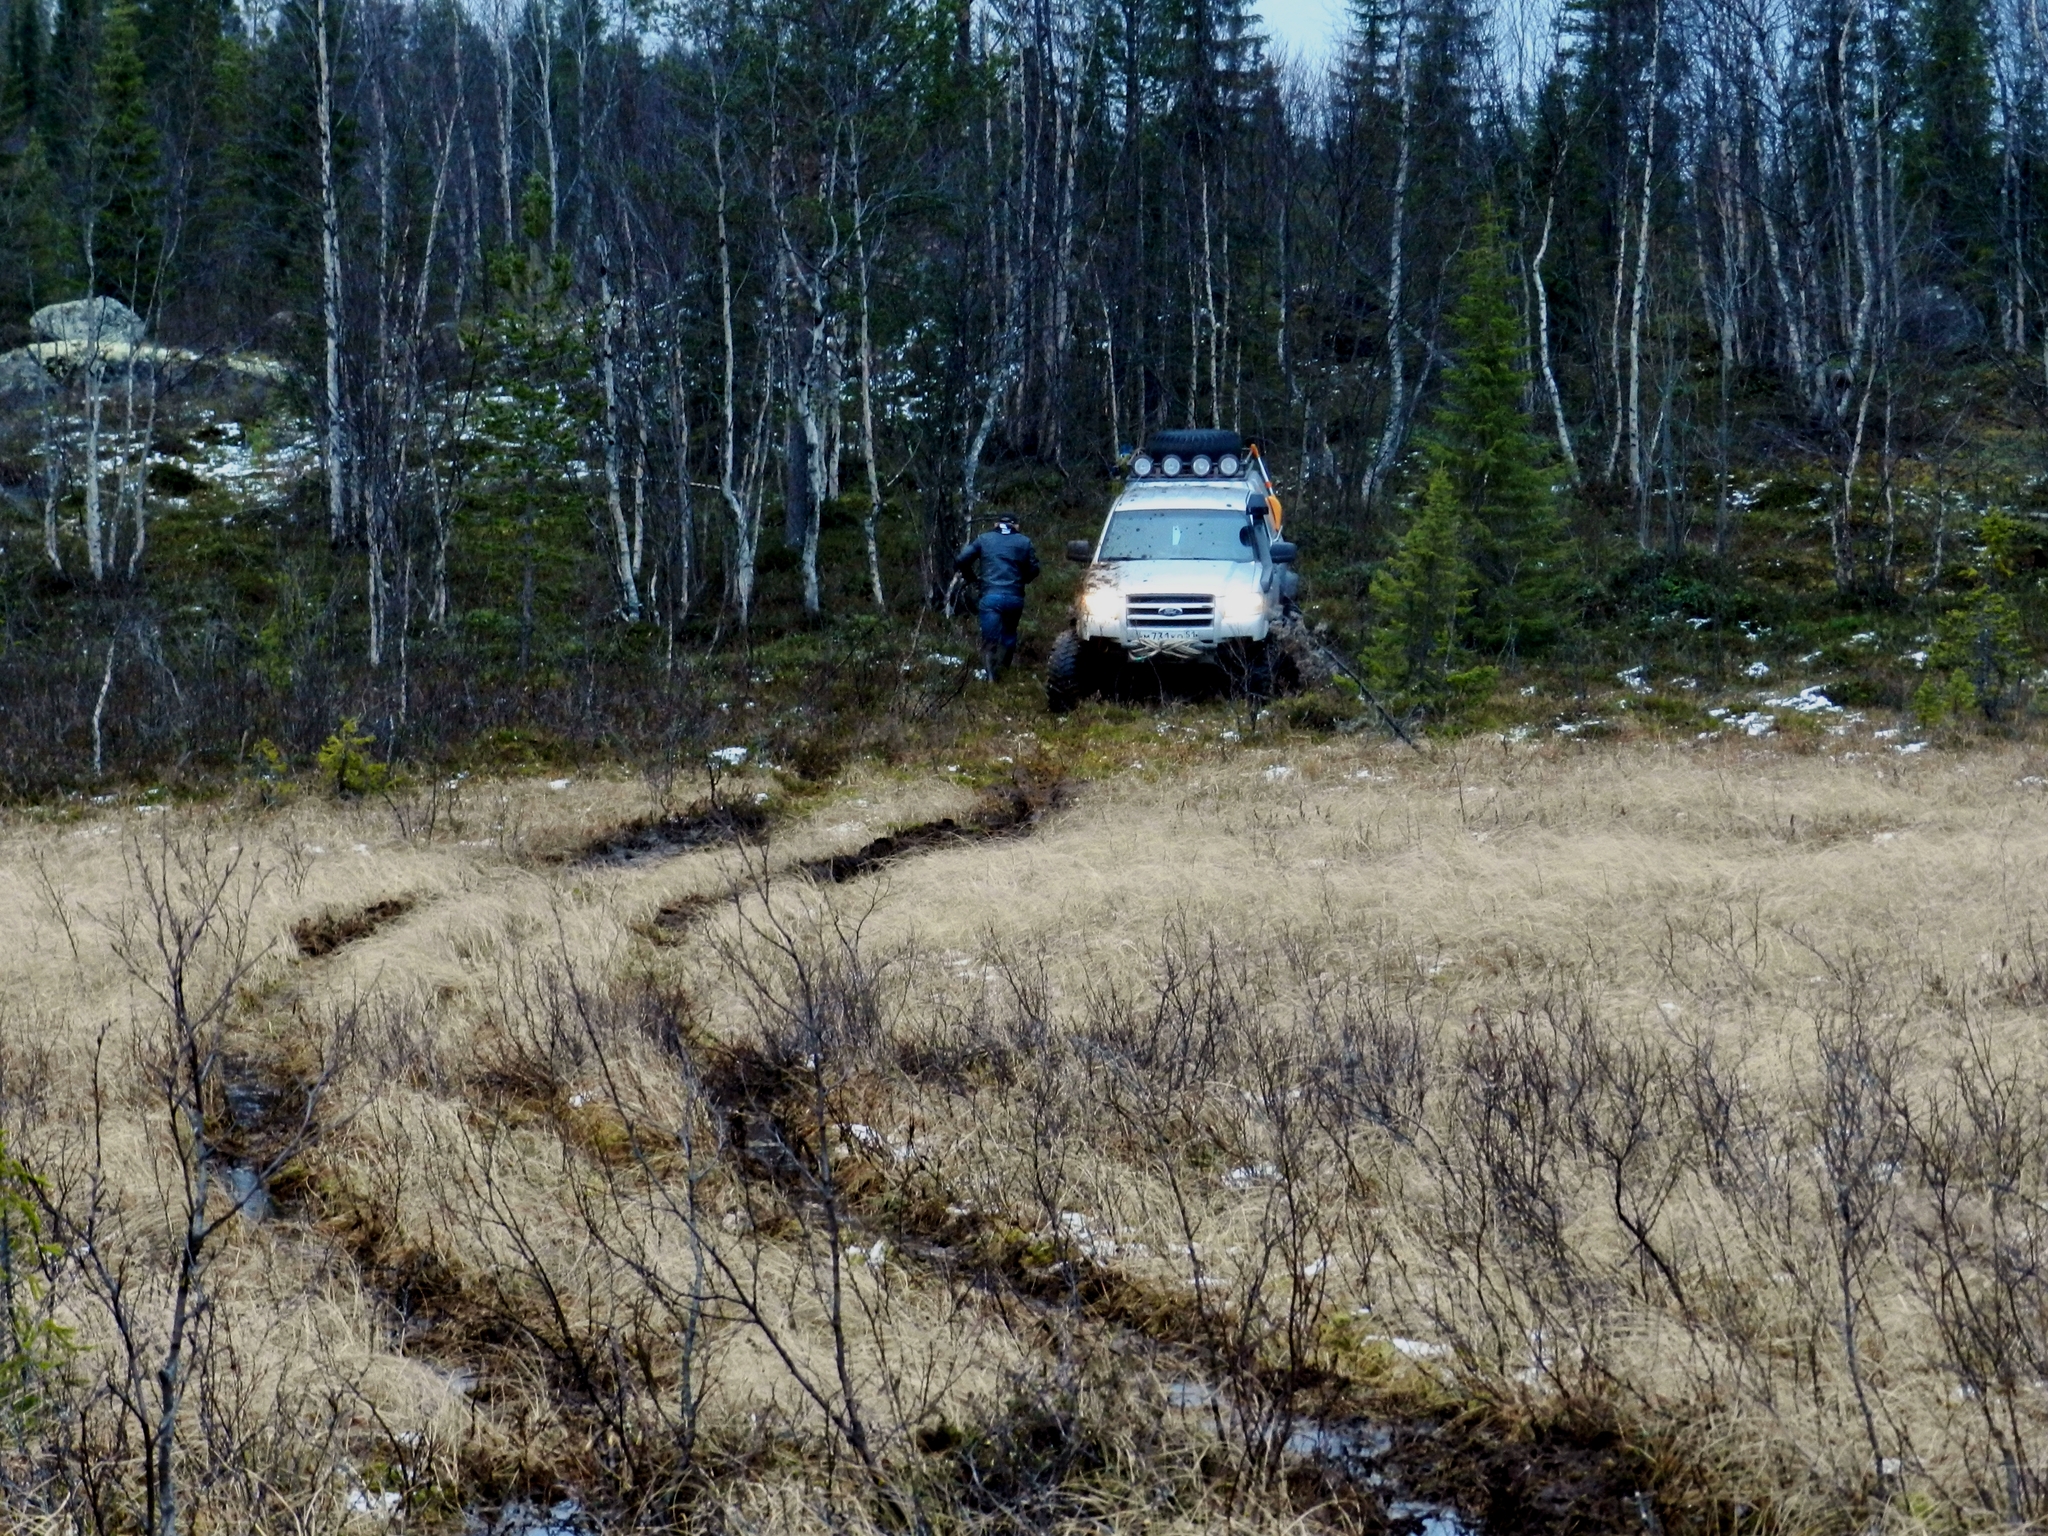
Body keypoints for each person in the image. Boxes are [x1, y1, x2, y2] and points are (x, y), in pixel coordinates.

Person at [954, 515, 1040, 680]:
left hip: (990, 596)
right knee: (1009, 635)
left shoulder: (983, 539)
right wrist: (1022, 580)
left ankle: (991, 678)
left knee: (990, 640)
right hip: (1014, 597)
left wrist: (972, 579)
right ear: (1017, 525)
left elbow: (961, 560)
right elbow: (1034, 569)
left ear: (996, 524)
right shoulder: (1024, 542)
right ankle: (1005, 673)